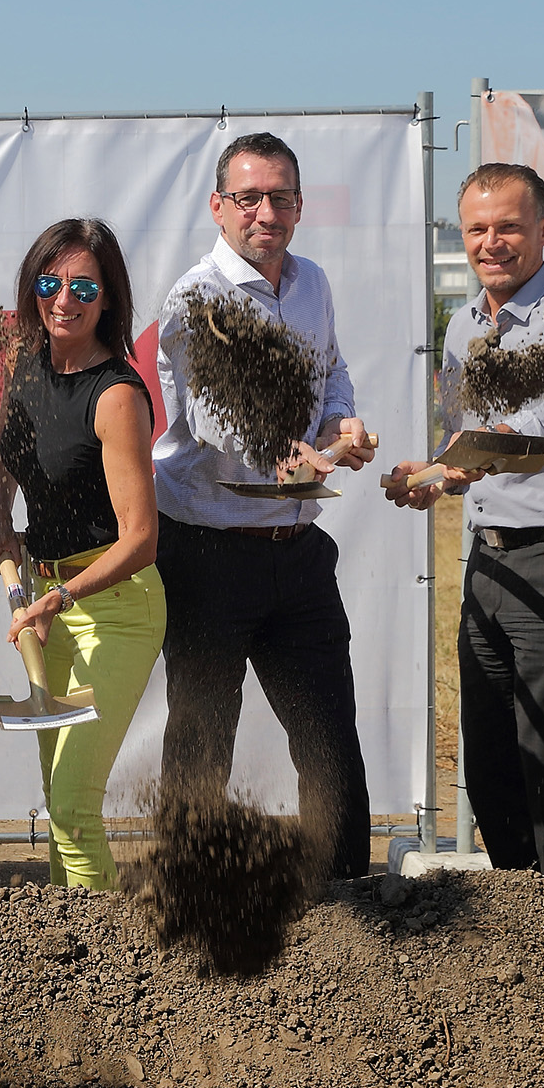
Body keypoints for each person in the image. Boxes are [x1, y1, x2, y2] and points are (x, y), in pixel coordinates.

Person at [383, 162, 544, 872]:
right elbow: (465, 439)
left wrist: (461, 461)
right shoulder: (463, 327)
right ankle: (520, 918)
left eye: (509, 228)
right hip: (488, 560)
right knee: (490, 757)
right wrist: (431, 478)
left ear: (543, 231)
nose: (491, 242)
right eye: (476, 229)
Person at [151, 130, 377, 878]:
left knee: (328, 741)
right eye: (247, 198)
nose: (264, 213)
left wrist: (339, 421)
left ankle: (349, 906)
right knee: (201, 741)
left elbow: (331, 370)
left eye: (279, 197)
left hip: (297, 553)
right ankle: (192, 901)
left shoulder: (310, 281)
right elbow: (215, 417)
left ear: (299, 206)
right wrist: (287, 448)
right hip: (208, 554)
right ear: (218, 207)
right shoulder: (194, 298)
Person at [0, 219, 164, 890]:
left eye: (83, 286)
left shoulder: (115, 395)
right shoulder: (23, 364)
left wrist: (63, 596)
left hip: (113, 608)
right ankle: (70, 955)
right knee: (60, 801)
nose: (64, 299)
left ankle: (109, 976)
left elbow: (141, 540)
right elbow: (4, 450)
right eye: (48, 283)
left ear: (107, 297)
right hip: (47, 599)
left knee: (73, 807)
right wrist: (1, 519)